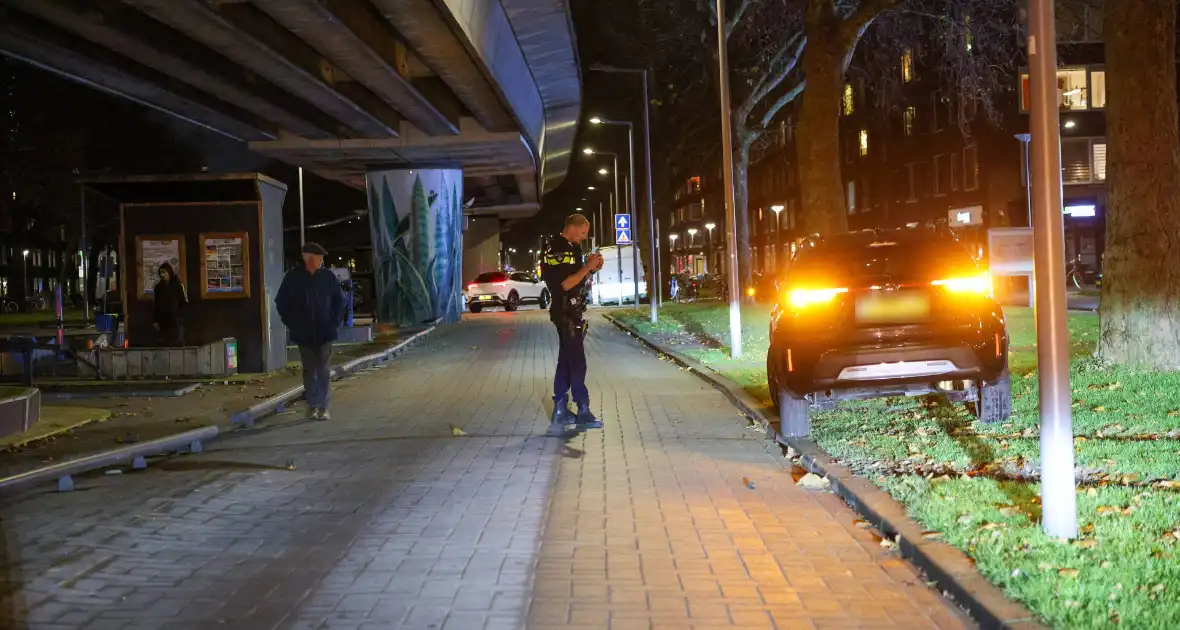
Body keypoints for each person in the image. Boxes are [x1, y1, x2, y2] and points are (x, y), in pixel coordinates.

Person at [542, 214, 604, 431]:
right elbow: (566, 284)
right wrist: (587, 268)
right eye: (583, 232)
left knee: (566, 360)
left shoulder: (570, 247)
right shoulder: (557, 248)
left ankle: (560, 408)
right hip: (565, 312)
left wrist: (591, 268)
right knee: (577, 362)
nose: (584, 237)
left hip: (572, 311)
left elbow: (576, 277)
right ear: (573, 228)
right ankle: (583, 409)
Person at [276, 242, 346, 420]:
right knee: (309, 370)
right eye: (318, 257)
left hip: (325, 332)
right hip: (303, 333)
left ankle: (323, 407)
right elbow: (281, 302)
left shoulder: (327, 277)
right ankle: (312, 405)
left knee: (323, 369)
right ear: (308, 258)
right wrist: (291, 322)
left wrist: (334, 322)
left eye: (322, 258)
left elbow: (340, 300)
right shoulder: (293, 277)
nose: (321, 261)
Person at [152, 262, 187, 346]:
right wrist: (155, 320)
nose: (162, 275)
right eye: (160, 273)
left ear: (169, 272)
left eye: (164, 272)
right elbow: (155, 304)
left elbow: (184, 302)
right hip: (163, 322)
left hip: (176, 321)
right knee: (163, 344)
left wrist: (180, 317)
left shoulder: (178, 285)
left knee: (177, 343)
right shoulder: (158, 287)